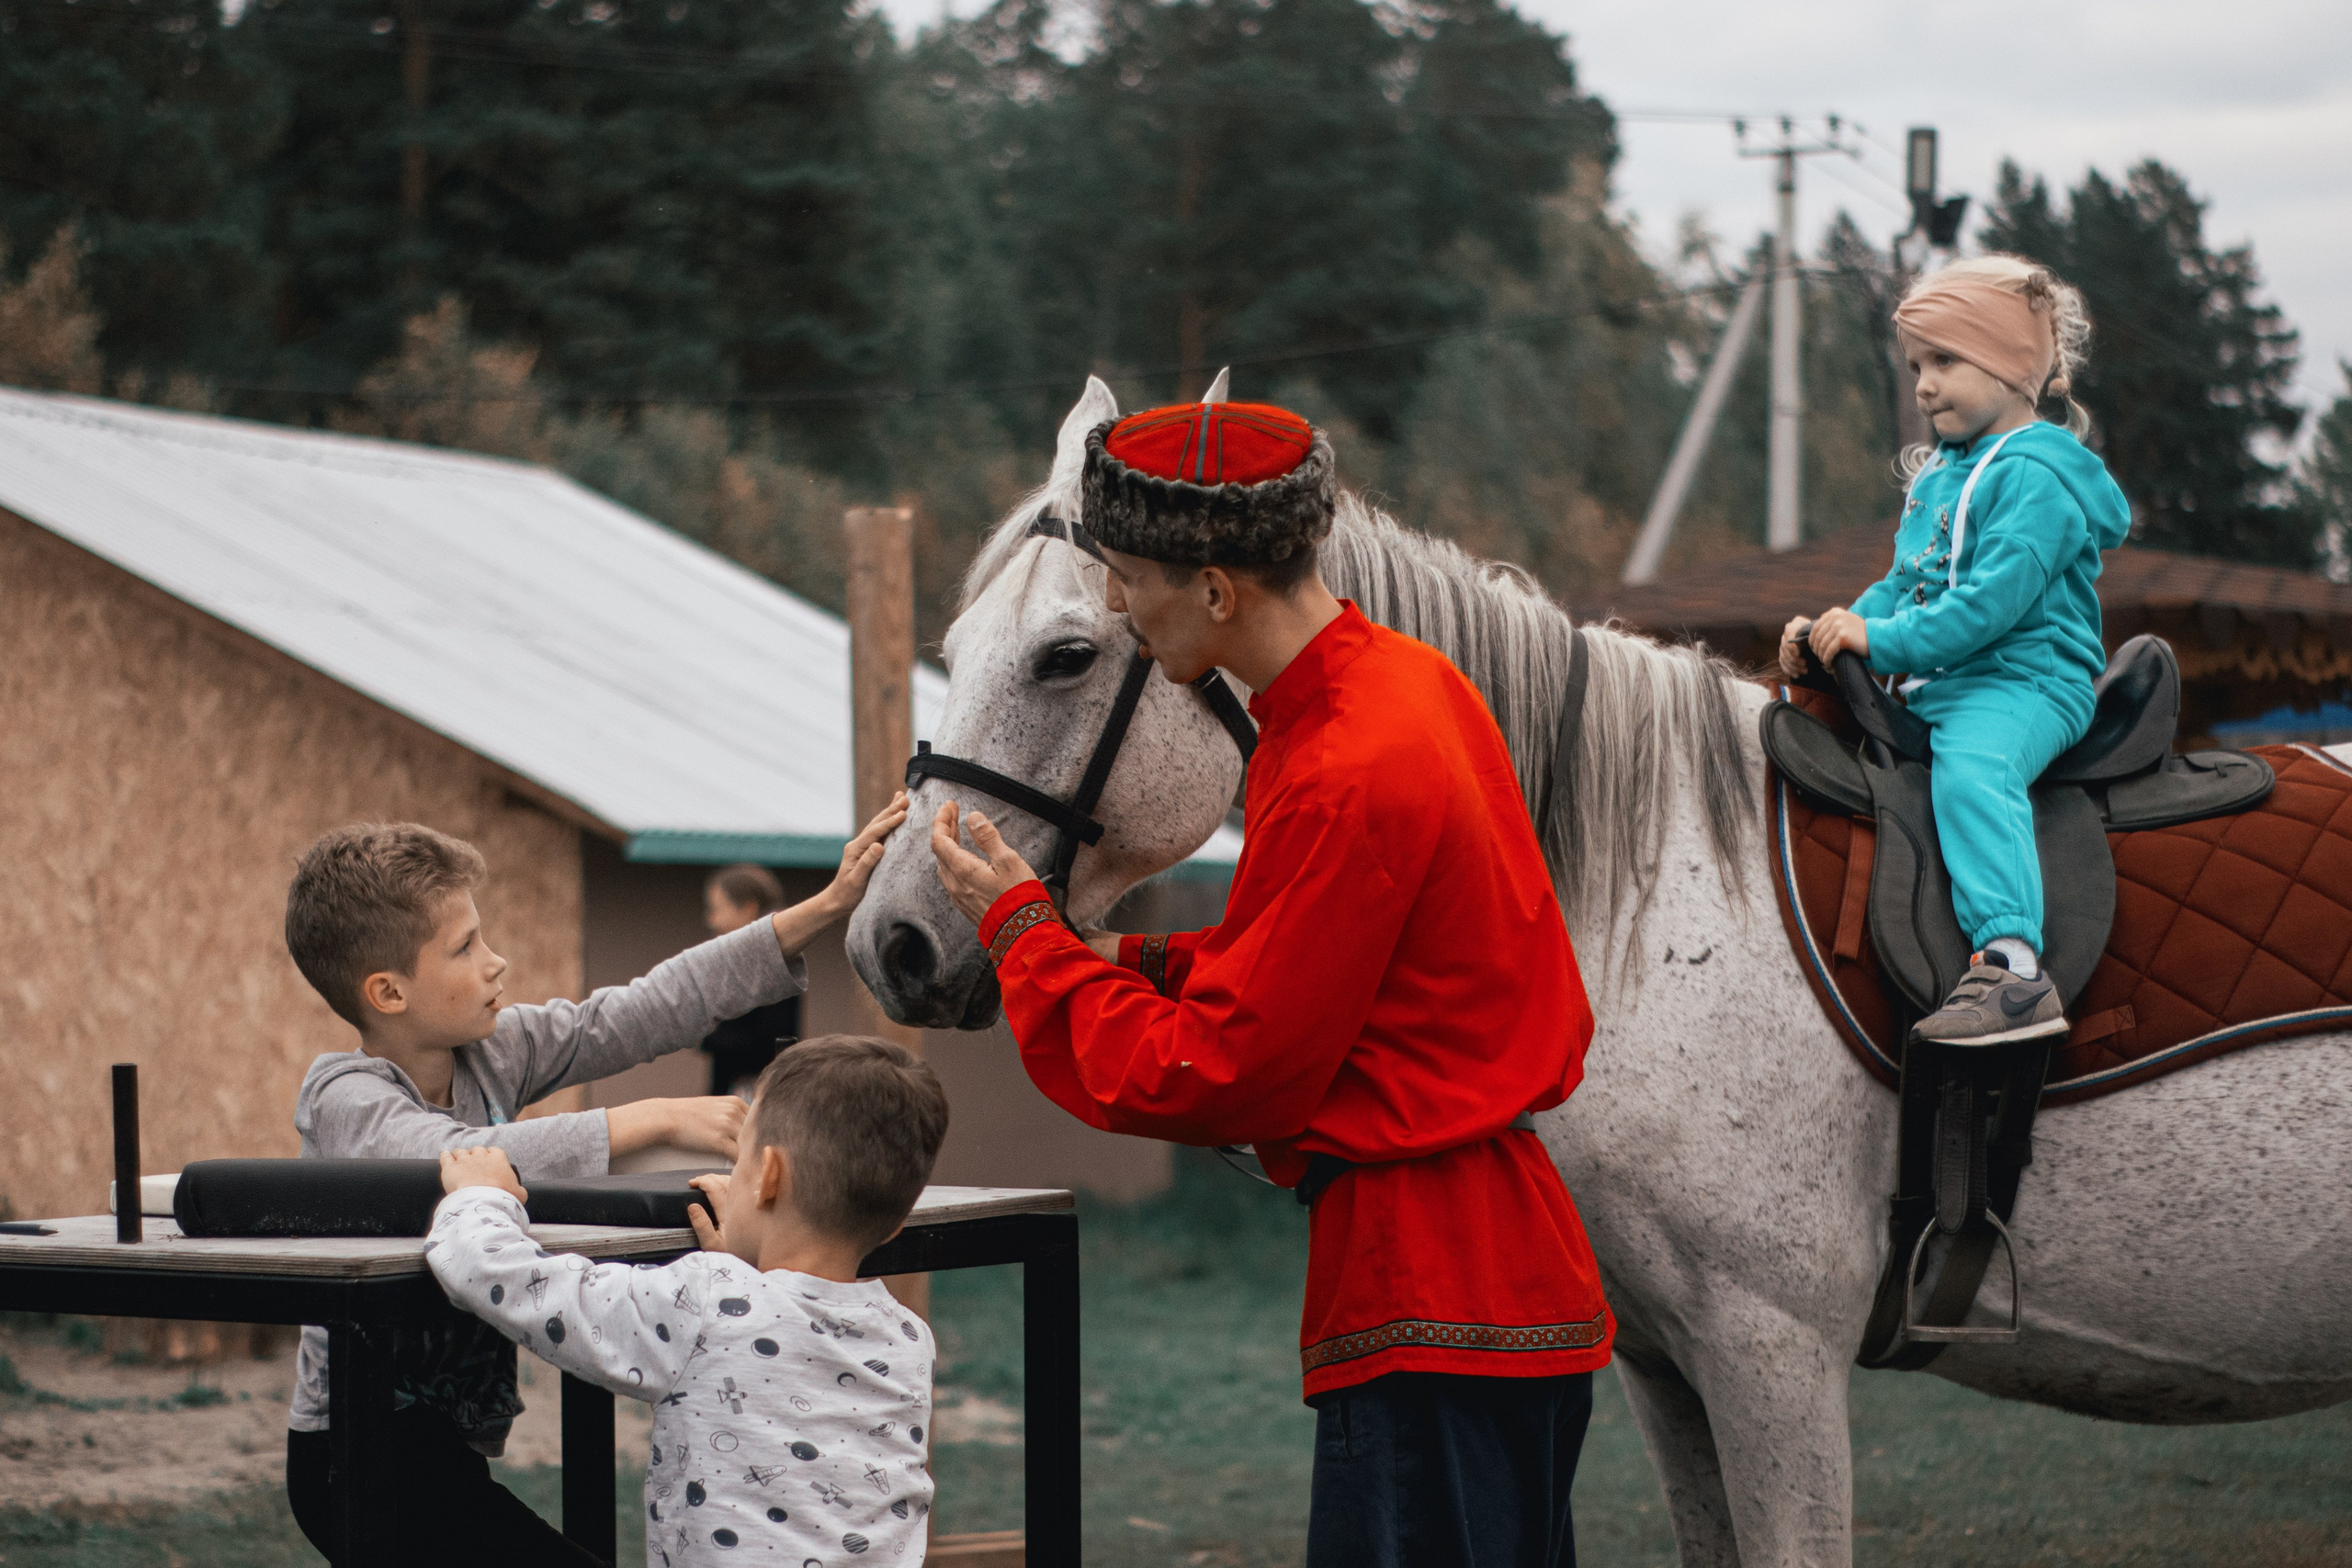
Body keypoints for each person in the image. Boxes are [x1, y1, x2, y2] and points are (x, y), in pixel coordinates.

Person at [930, 399, 1612, 1568]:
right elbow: (1322, 963)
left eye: (1130, 575)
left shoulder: (1344, 764)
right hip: (1500, 1281)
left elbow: (1222, 1071)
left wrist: (1024, 940)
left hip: (1426, 1295)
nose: (1116, 607)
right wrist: (1123, 959)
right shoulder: (1407, 689)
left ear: (1215, 590)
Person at [278, 796, 906, 1566]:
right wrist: (648, 1119)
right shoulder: (343, 1094)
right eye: (465, 946)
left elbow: (644, 1009)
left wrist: (826, 907)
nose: (494, 961)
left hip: (443, 1443)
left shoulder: (494, 1052)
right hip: (353, 1453)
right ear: (388, 992)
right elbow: (457, 1156)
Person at [425, 1035, 948, 1568]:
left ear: (768, 1176)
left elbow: (510, 1281)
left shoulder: (707, 1301)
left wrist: (479, 1195)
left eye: (739, 1157)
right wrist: (752, 1273)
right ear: (897, 1222)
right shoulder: (909, 1343)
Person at [1781, 254, 2131, 1046]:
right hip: (1950, 675)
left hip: (2029, 680)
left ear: (2010, 367)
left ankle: (2012, 968)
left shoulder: (2040, 479)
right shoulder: (1942, 473)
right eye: (1915, 365)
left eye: (1945, 361)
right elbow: (1907, 584)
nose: (1923, 385)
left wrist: (1883, 639)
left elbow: (1986, 611)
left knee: (1974, 768)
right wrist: (1837, 631)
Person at [700, 863, 801, 1096]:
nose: (712, 921)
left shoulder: (770, 960)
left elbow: (769, 1040)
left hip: (753, 1093)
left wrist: (707, 1034)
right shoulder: (748, 958)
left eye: (717, 909)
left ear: (748, 909)